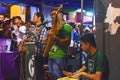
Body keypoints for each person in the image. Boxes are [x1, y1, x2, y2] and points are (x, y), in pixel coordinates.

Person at [46, 8, 71, 80]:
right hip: (52, 54)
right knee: (53, 77)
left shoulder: (66, 26)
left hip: (60, 55)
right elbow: (53, 41)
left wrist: (55, 37)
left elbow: (67, 42)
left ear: (61, 15)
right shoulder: (54, 27)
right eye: (52, 15)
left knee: (59, 77)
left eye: (55, 14)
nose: (53, 16)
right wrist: (47, 41)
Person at [32, 12, 48, 80]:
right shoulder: (34, 28)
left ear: (39, 18)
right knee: (34, 74)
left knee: (39, 74)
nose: (33, 18)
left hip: (39, 55)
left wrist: (32, 41)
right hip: (32, 54)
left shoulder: (43, 29)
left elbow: (42, 42)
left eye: (34, 16)